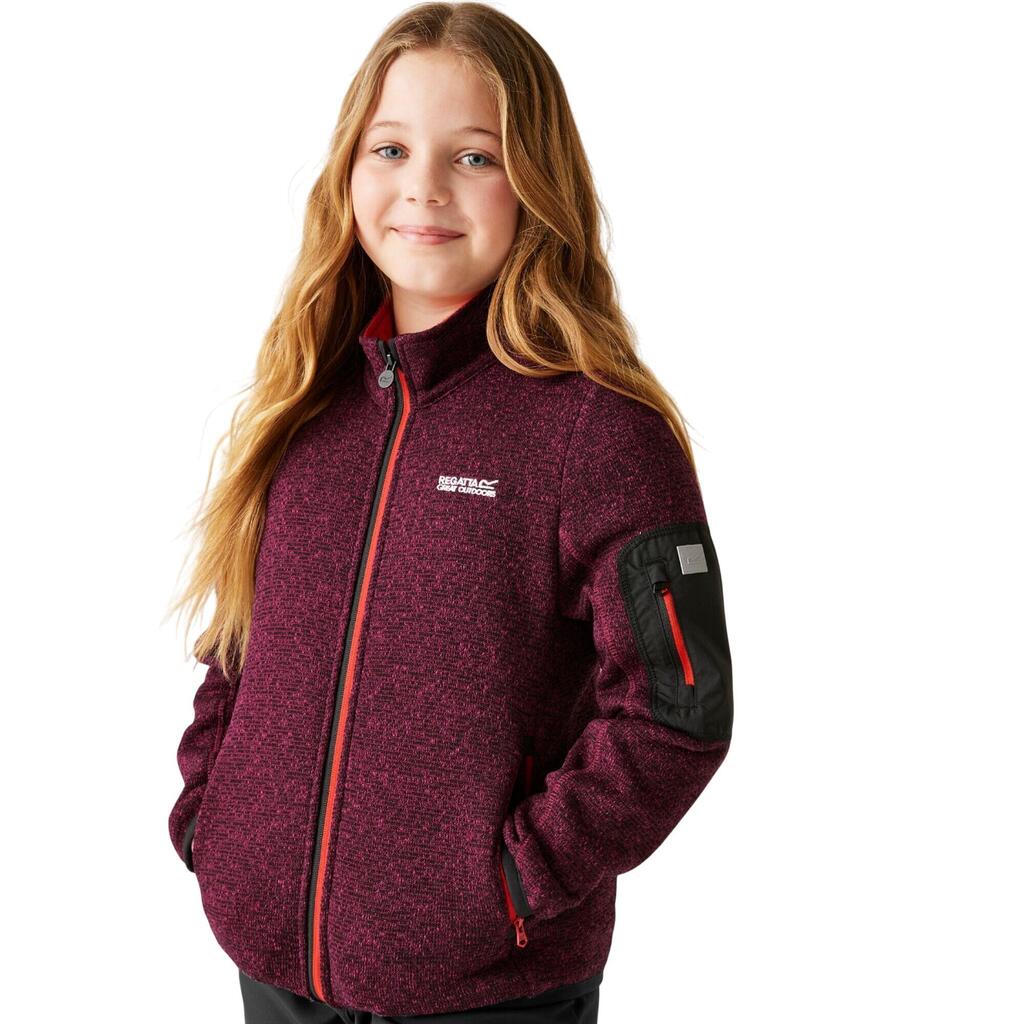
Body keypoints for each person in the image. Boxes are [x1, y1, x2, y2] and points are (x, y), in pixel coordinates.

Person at [166, 4, 734, 1022]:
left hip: (487, 989)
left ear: (536, 182)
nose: (423, 186)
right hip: (275, 968)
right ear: (349, 171)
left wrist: (511, 884)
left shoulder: (597, 431)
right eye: (390, 148)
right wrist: (218, 821)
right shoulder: (307, 404)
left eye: (473, 156)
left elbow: (677, 708)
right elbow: (243, 641)